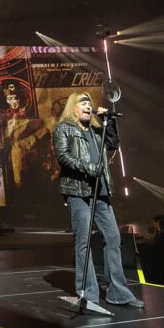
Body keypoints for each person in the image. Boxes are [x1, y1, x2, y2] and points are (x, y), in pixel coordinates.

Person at [53, 92, 143, 309]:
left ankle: (118, 293)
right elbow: (62, 156)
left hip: (100, 192)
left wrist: (108, 122)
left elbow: (112, 143)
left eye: (89, 103)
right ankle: (89, 295)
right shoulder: (64, 128)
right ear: (73, 107)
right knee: (83, 242)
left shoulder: (95, 130)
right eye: (83, 102)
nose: (87, 105)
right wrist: (88, 168)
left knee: (113, 238)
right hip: (78, 191)